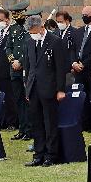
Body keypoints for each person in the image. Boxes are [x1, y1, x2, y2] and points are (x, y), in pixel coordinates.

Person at [24, 14, 68, 166]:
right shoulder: (30, 42)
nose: (32, 34)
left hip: (49, 88)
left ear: (41, 28)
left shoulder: (55, 42)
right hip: (34, 88)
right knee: (36, 123)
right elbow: (29, 67)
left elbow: (61, 68)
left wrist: (60, 89)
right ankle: (39, 153)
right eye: (30, 32)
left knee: (50, 123)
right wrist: (27, 89)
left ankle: (51, 154)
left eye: (34, 31)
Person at [6, 4, 31, 140]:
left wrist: (20, 61)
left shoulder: (29, 29)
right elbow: (8, 47)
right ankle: (22, 128)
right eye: (14, 14)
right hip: (14, 70)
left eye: (18, 14)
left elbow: (29, 49)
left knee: (28, 100)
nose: (16, 17)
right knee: (18, 100)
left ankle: (29, 129)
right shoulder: (13, 29)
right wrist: (12, 61)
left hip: (26, 69)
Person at [72, 5, 91, 129]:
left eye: (86, 15)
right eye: (82, 15)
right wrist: (74, 63)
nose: (84, 17)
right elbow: (73, 50)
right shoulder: (78, 32)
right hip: (78, 70)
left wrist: (86, 63)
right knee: (80, 96)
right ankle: (84, 123)